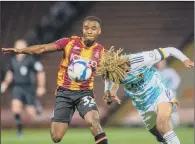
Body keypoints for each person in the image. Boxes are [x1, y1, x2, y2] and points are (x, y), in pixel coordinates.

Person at [2, 16, 113, 144]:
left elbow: (112, 73)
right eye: (86, 28)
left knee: (93, 121)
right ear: (82, 29)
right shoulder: (68, 42)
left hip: (84, 93)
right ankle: (65, 114)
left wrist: (110, 91)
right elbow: (43, 48)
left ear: (99, 31)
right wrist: (21, 50)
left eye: (93, 28)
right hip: (64, 93)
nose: (89, 31)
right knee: (56, 137)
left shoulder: (102, 52)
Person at [102, 47, 194, 144]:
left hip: (159, 94)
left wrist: (185, 59)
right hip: (143, 106)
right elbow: (112, 82)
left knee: (162, 125)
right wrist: (109, 93)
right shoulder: (111, 72)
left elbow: (170, 50)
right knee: (160, 135)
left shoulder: (140, 59)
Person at [1, 39, 46, 136]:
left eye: (22, 46)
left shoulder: (31, 59)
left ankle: (36, 105)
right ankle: (19, 131)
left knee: (31, 113)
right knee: (15, 107)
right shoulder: (12, 60)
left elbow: (40, 72)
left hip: (29, 88)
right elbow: (10, 74)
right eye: (18, 46)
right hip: (17, 87)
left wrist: (41, 87)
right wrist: (5, 83)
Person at [156, 60, 181, 128]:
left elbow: (177, 80)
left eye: (162, 63)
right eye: (159, 63)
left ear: (165, 64)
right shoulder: (155, 73)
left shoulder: (170, 71)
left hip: (170, 93)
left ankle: (174, 120)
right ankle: (169, 127)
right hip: (160, 95)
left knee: (172, 111)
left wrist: (172, 89)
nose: (160, 64)